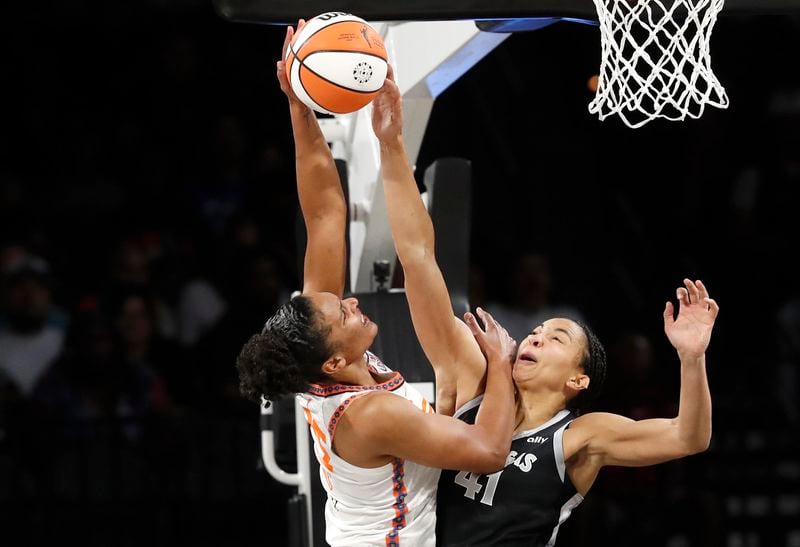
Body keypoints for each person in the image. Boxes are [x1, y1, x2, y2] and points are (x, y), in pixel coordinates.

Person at [370, 72, 719, 546]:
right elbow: (418, 260)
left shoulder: (580, 437)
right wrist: (391, 147)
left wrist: (691, 358)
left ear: (578, 381)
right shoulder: (475, 377)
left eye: (556, 338)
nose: (534, 336)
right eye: (536, 331)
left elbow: (689, 438)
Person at [234, 22, 517, 547]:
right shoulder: (370, 414)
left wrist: (300, 107)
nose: (348, 302)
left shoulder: (323, 359)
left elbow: (323, 214)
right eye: (342, 314)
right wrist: (499, 365)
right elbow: (488, 451)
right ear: (334, 364)